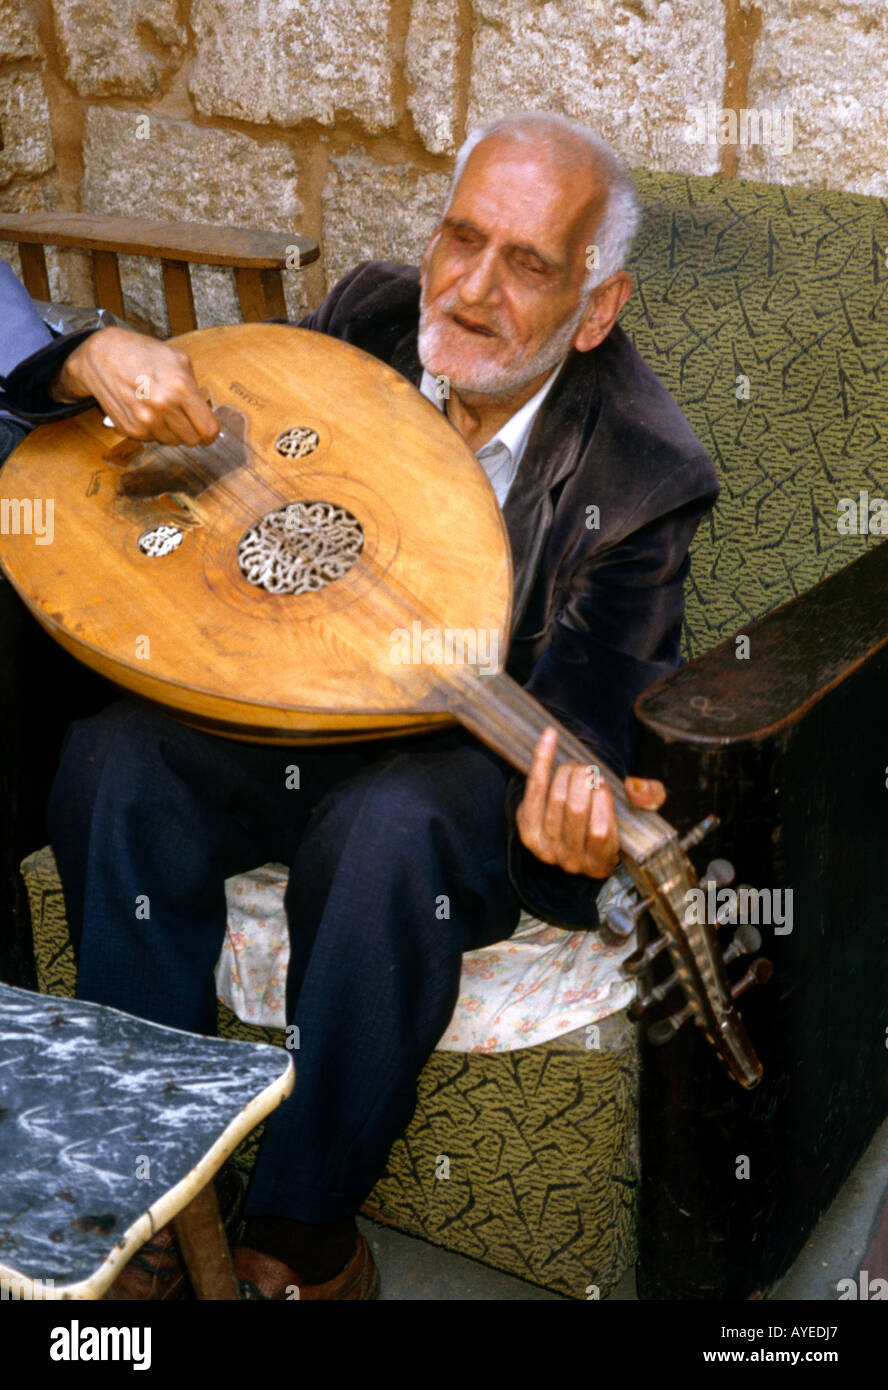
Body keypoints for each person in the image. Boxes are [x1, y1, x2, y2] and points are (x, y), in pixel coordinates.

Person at [0, 112, 719, 1300]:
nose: (474, 290)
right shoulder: (375, 313)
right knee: (113, 761)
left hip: (454, 777)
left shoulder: (644, 473)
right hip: (294, 714)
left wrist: (566, 836)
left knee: (383, 832)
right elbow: (256, 479)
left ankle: (303, 1233)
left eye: (529, 264)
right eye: (462, 239)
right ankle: (150, 1188)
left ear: (596, 307)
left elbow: (586, 727)